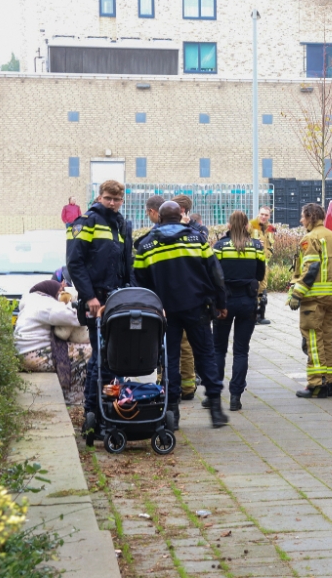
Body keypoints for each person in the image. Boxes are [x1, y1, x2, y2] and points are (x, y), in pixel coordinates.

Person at [134, 201, 229, 428]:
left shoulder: (146, 245)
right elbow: (216, 273)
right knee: (205, 356)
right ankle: (215, 410)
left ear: (159, 218)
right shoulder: (197, 240)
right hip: (197, 308)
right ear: (181, 216)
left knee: (169, 360)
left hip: (164, 313)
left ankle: (172, 414)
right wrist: (221, 302)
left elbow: (139, 282)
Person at [66, 180, 135, 432]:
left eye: (117, 199)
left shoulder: (122, 224)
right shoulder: (86, 222)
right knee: (103, 358)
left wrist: (134, 294)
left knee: (114, 358)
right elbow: (75, 263)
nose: (112, 203)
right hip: (96, 301)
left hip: (118, 301)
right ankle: (93, 415)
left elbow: (128, 264)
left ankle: (108, 409)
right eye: (108, 198)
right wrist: (90, 297)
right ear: (99, 197)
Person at [288, 203, 332, 398]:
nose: (301, 221)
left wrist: (297, 294)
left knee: (313, 339)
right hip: (329, 297)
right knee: (327, 338)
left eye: (303, 217)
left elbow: (311, 269)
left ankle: (316, 384)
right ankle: (328, 381)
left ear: (311, 217)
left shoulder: (310, 238)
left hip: (313, 299)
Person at [212, 211, 266, 411]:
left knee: (218, 349)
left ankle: (214, 396)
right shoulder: (256, 247)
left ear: (229, 224)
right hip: (247, 302)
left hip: (224, 302)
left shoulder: (219, 247)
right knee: (241, 350)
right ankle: (236, 397)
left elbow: (214, 276)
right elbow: (260, 274)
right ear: (246, 225)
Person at [14, 280, 92, 406]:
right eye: (59, 294)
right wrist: (88, 310)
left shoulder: (32, 300)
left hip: (24, 353)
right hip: (34, 355)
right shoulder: (43, 303)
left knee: (74, 352)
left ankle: (72, 396)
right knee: (89, 351)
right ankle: (74, 400)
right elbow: (72, 317)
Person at [171, 194, 206, 400]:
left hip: (186, 295)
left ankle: (186, 386)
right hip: (184, 293)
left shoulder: (197, 230)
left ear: (181, 210)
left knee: (184, 345)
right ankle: (178, 385)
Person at [250, 206, 275, 325]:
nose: (264, 217)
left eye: (266, 215)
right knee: (254, 287)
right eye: (262, 214)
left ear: (269, 216)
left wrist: (269, 254)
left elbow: (270, 245)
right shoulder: (251, 226)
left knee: (263, 288)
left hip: (264, 262)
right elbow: (241, 240)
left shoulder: (270, 228)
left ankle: (260, 315)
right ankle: (252, 315)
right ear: (258, 214)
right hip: (253, 262)